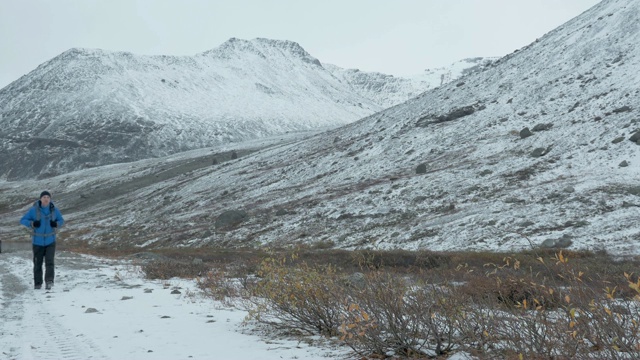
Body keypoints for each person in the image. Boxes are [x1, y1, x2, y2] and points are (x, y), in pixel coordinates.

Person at [20, 191, 64, 290]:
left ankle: (49, 281)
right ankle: (38, 283)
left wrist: (56, 224)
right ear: (40, 199)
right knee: (37, 263)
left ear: (50, 199)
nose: (46, 199)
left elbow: (61, 220)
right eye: (44, 197)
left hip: (51, 240)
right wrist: (32, 223)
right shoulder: (33, 210)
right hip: (37, 241)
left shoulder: (54, 210)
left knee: (50, 262)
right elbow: (22, 220)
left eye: (48, 197)